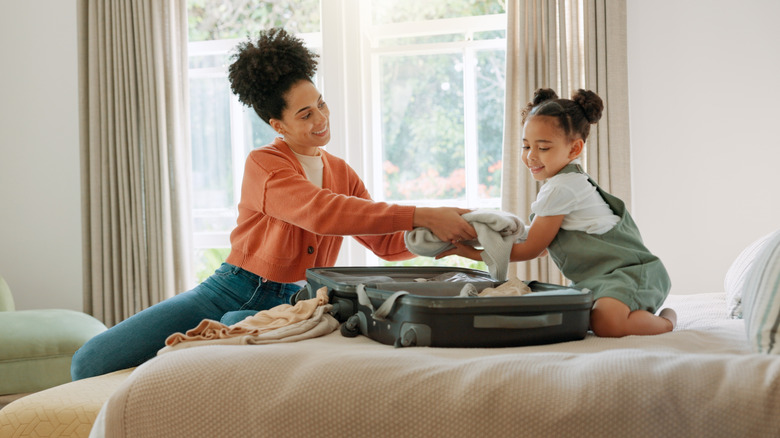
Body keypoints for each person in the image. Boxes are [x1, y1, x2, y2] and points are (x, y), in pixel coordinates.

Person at [71, 28, 476, 380]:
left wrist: (449, 239)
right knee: (89, 362)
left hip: (299, 303)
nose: (321, 117)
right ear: (278, 125)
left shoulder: (342, 171)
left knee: (230, 335)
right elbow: (321, 211)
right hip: (231, 288)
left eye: (321, 102)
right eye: (305, 113)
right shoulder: (265, 163)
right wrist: (423, 213)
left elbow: (386, 243)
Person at [438, 88, 675, 337]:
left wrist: (474, 254)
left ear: (574, 149)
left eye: (543, 148)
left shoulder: (563, 187)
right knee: (577, 319)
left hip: (630, 274)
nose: (531, 156)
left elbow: (531, 249)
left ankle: (668, 321)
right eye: (526, 146)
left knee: (608, 324)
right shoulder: (562, 183)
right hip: (598, 280)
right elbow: (542, 246)